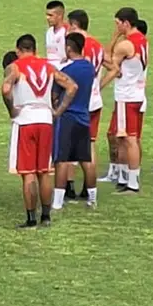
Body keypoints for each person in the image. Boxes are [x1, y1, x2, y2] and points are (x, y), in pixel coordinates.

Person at [2, 34, 78, 228]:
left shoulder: (15, 67)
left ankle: (30, 218)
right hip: (45, 120)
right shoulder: (49, 67)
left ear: (19, 50)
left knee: (28, 173)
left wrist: (12, 110)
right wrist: (58, 111)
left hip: (25, 120)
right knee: (44, 171)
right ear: (35, 49)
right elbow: (71, 86)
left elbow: (5, 89)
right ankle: (46, 216)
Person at [101, 8, 148, 194]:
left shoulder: (125, 45)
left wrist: (114, 37)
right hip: (136, 93)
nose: (117, 27)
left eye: (118, 23)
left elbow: (110, 63)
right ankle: (123, 177)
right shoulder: (143, 40)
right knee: (122, 138)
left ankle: (133, 182)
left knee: (129, 139)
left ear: (126, 23)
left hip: (126, 96)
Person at [52, 33, 98, 210]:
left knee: (62, 159)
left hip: (68, 118)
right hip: (84, 116)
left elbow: (56, 94)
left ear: (69, 48)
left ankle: (57, 201)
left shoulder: (66, 70)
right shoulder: (89, 67)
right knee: (85, 159)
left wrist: (58, 110)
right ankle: (92, 198)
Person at [68, 9, 107, 202]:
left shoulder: (76, 45)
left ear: (74, 25)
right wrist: (98, 85)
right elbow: (113, 67)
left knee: (68, 145)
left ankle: (67, 188)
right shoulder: (98, 45)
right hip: (94, 100)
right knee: (89, 145)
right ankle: (89, 190)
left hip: (78, 102)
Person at [45, 0, 69, 68]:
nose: (47, 18)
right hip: (51, 70)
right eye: (47, 15)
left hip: (63, 70)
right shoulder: (49, 32)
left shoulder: (67, 32)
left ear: (60, 16)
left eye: (50, 15)